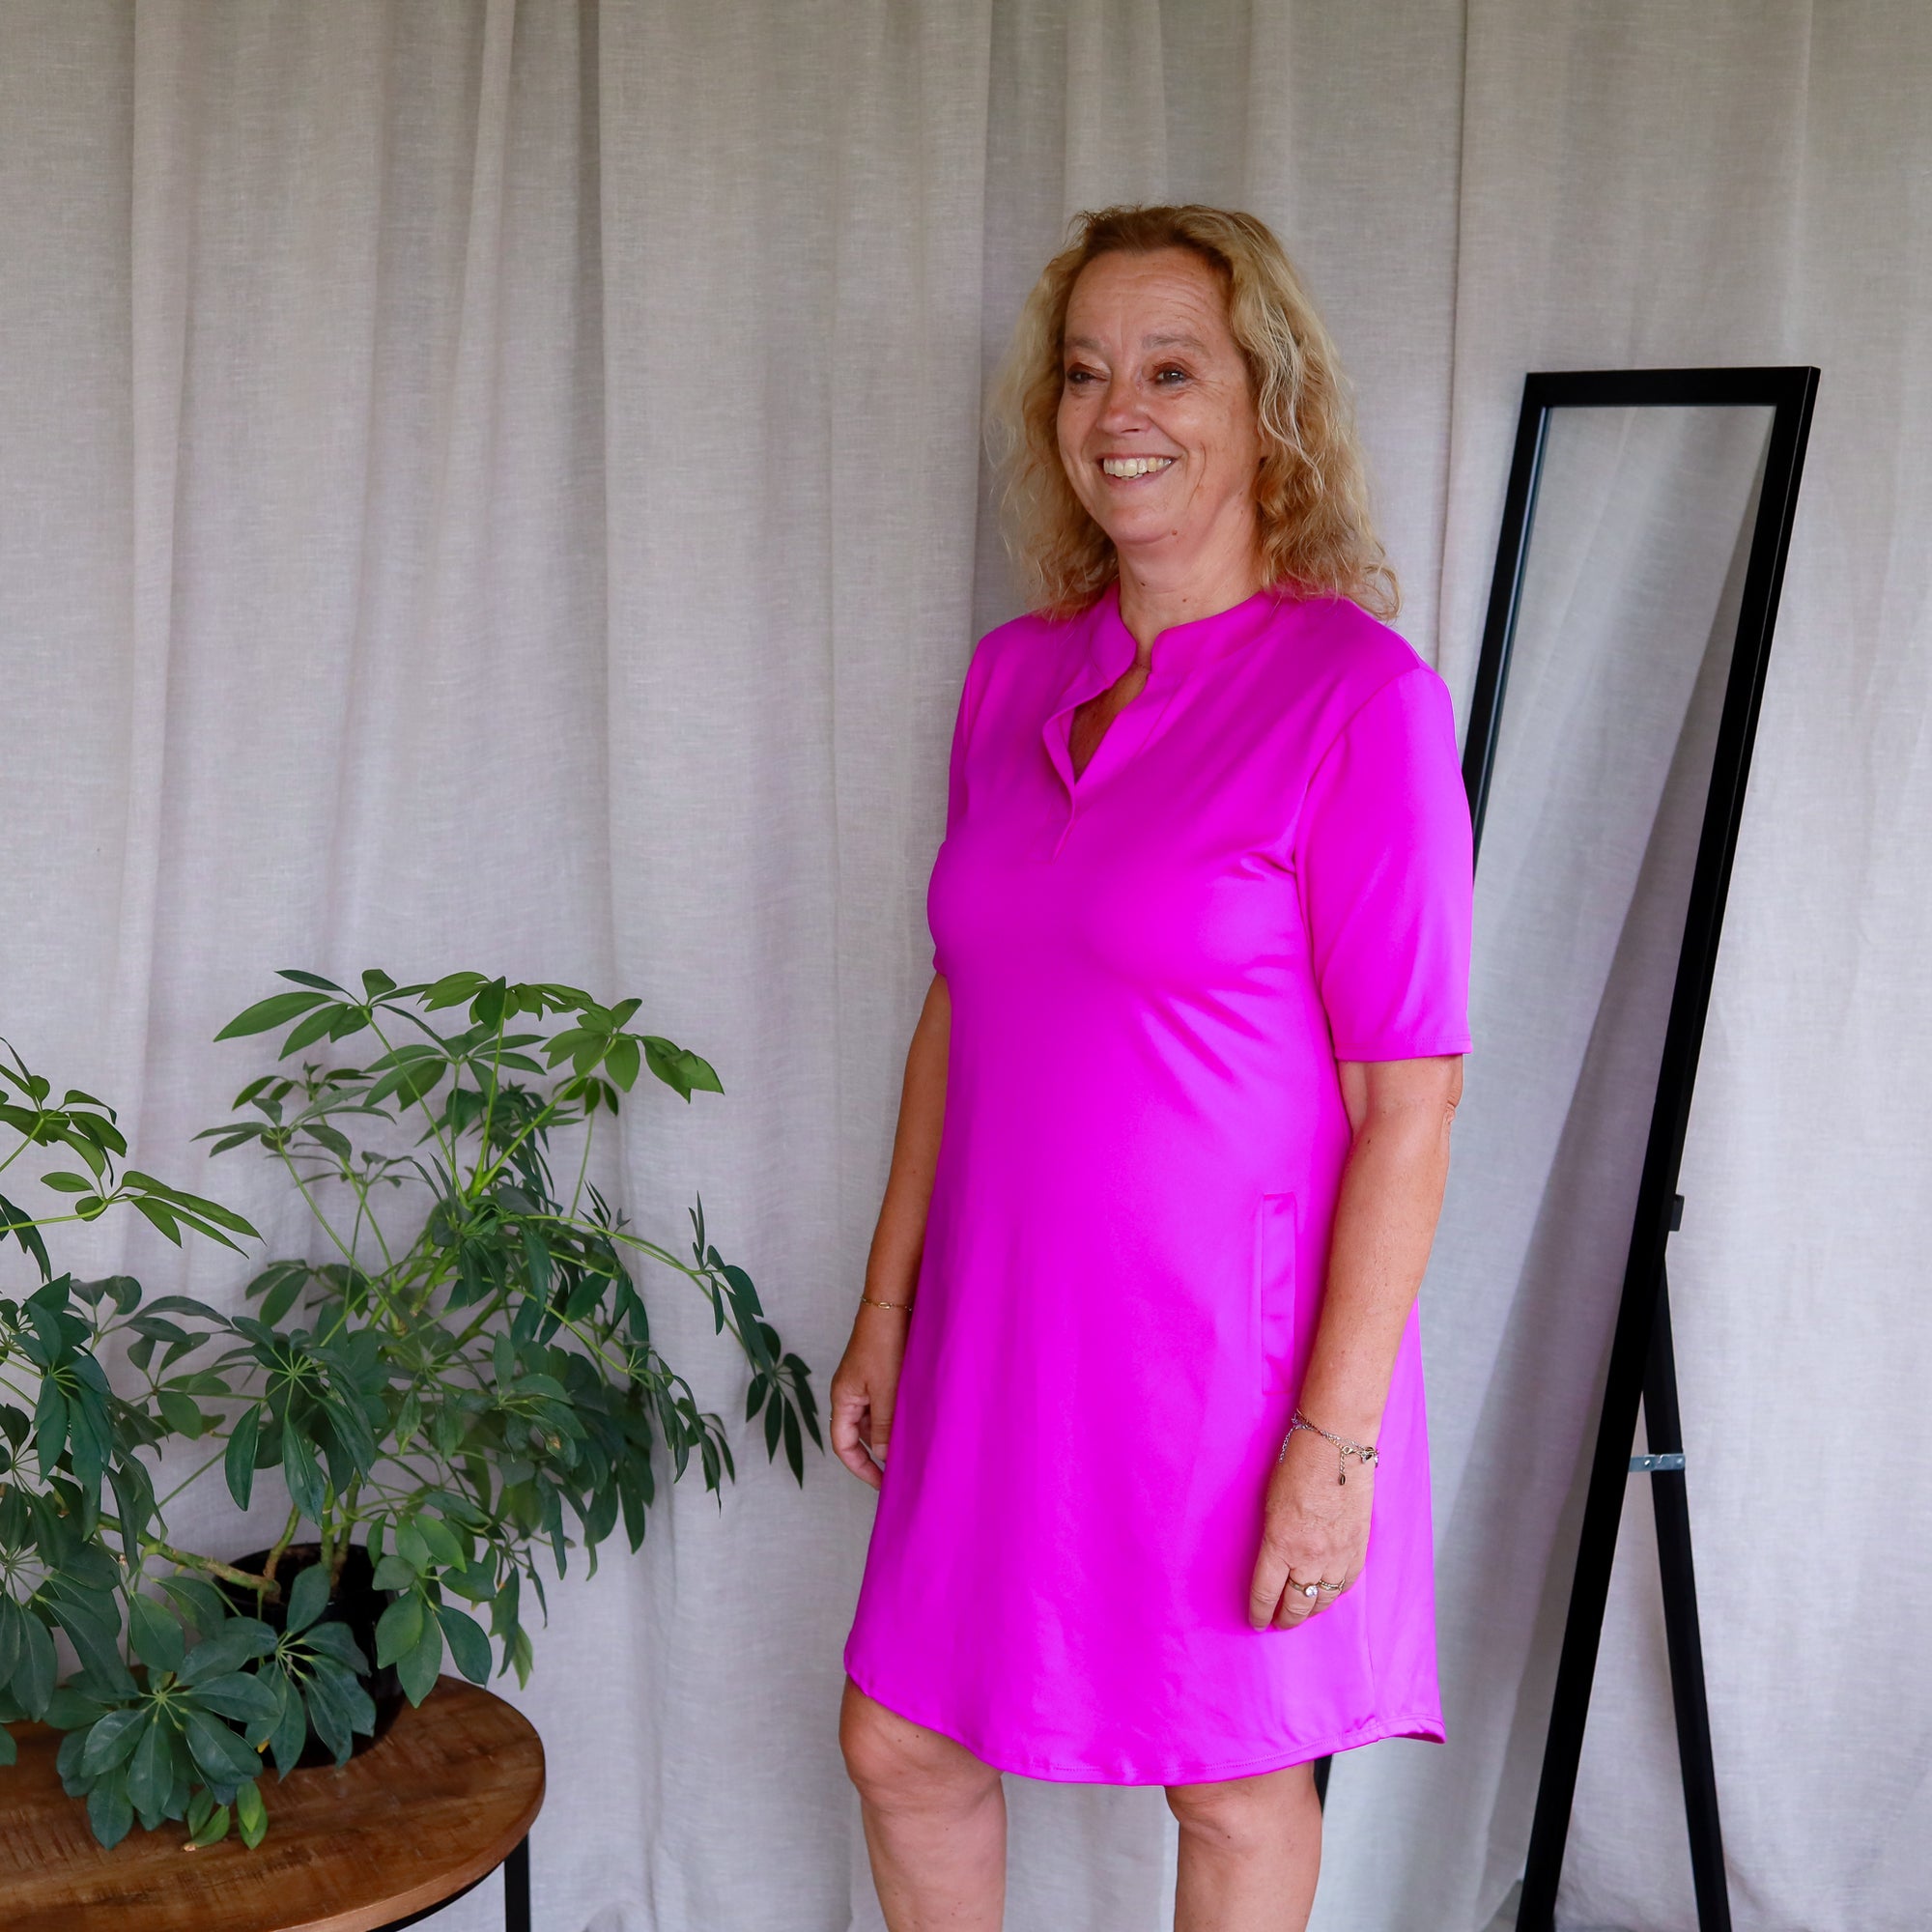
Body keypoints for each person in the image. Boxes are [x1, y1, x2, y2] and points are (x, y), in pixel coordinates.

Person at [832, 203, 1472, 1932]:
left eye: (1172, 369)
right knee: (903, 1741)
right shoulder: (1012, 679)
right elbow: (964, 1004)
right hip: (1000, 1325)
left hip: (1228, 1365)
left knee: (1233, 1783)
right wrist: (888, 1302)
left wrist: (1334, 1446)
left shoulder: (1363, 699)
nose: (1120, 409)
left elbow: (1410, 1105)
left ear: (1270, 404)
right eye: (1085, 370)